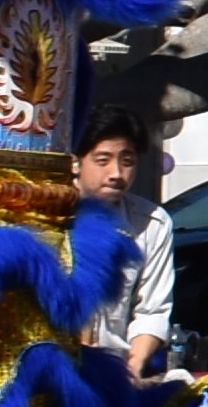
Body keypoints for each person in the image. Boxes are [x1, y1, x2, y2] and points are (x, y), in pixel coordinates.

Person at [75, 124, 177, 380]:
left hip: (114, 372)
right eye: (103, 161)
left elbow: (152, 311)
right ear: (75, 163)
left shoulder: (152, 222)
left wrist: (132, 370)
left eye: (127, 162)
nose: (117, 174)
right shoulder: (47, 215)